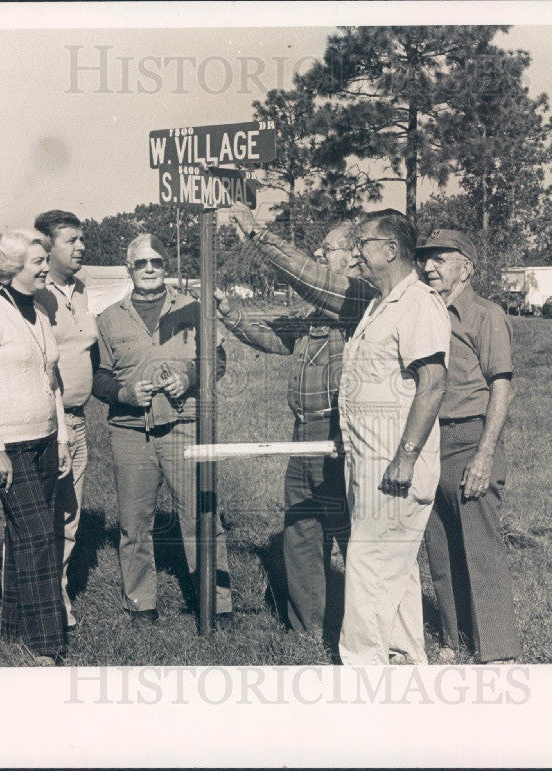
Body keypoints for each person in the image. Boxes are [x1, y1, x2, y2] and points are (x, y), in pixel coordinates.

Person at [230, 205, 449, 665]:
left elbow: (433, 383)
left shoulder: (415, 302)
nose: (355, 254)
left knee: (368, 569)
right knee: (396, 573)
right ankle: (405, 661)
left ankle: (362, 671)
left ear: (390, 249)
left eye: (361, 245)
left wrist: (406, 457)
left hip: (394, 462)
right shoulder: (378, 303)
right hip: (368, 458)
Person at [212, 221, 356, 637]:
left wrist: (257, 233)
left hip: (340, 436)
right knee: (301, 531)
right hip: (303, 433)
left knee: (350, 535)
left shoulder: (358, 298)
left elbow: (304, 275)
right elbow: (277, 337)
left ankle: (361, 629)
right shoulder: (315, 311)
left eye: (328, 249)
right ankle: (307, 630)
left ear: (353, 255)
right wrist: (228, 312)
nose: (319, 256)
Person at [93, 233, 233, 626]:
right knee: (134, 523)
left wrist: (189, 377)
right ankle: (141, 604)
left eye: (156, 262)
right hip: (130, 431)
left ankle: (217, 603)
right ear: (129, 269)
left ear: (166, 267)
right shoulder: (108, 317)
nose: (150, 269)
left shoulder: (193, 308)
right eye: (142, 263)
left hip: (183, 425)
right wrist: (123, 392)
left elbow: (217, 362)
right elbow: (97, 378)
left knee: (200, 515)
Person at [0, 229, 72, 665]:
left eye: (46, 259)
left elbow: (52, 383)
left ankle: (14, 628)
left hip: (44, 439)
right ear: (12, 269)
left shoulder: (39, 312)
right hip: (6, 445)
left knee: (24, 535)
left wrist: (61, 438)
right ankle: (47, 643)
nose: (46, 267)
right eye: (37, 263)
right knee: (41, 536)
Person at [416, 229, 521, 664]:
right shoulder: (425, 314)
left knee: (481, 547)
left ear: (466, 268)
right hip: (428, 440)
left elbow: (503, 385)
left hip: (468, 436)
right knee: (439, 548)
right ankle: (452, 640)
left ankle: (498, 652)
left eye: (441, 259)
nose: (429, 267)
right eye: (426, 260)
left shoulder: (485, 314)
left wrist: (484, 452)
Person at [32, 210, 97, 630]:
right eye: (71, 240)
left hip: (78, 421)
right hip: (45, 425)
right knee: (39, 517)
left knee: (69, 517)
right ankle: (32, 601)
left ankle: (57, 594)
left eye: (81, 239)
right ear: (48, 247)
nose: (81, 247)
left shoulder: (82, 290)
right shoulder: (34, 294)